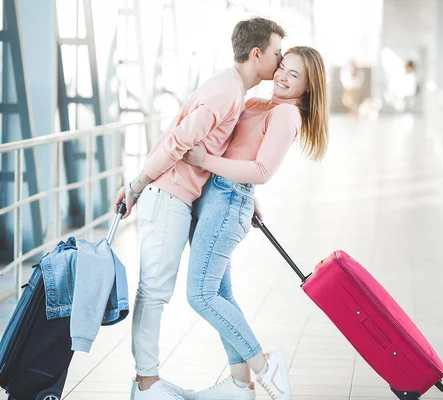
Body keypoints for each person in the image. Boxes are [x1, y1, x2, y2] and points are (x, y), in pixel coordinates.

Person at [113, 17, 286, 400]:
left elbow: (212, 149)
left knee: (160, 290)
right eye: (277, 53)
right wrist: (137, 185)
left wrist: (248, 196)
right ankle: (146, 384)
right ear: (256, 53)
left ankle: (153, 381)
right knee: (154, 292)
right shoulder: (227, 91)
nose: (281, 61)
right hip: (167, 193)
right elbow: (179, 141)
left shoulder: (231, 89)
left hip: (178, 195)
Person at [180, 46, 328, 400]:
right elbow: (242, 153)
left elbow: (260, 171)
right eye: (283, 67)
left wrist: (206, 161)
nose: (282, 77)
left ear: (308, 88)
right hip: (219, 198)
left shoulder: (287, 115)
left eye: (295, 75)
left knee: (200, 295)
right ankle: (237, 384)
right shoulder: (260, 104)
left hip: (226, 201)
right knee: (219, 294)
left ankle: (264, 367)